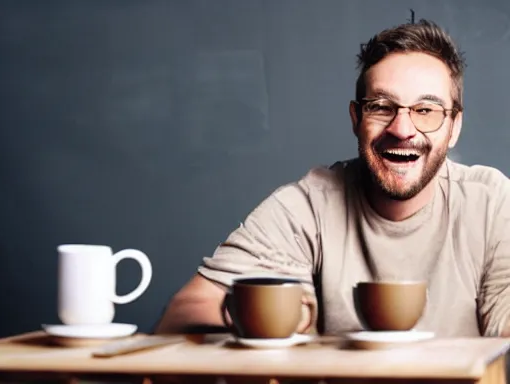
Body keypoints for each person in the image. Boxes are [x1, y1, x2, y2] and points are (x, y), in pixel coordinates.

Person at [156, 19, 510, 338]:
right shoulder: (309, 206)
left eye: (426, 110)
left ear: (454, 127)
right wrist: (279, 322)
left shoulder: (492, 203)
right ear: (356, 118)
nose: (402, 129)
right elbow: (186, 311)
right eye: (381, 107)